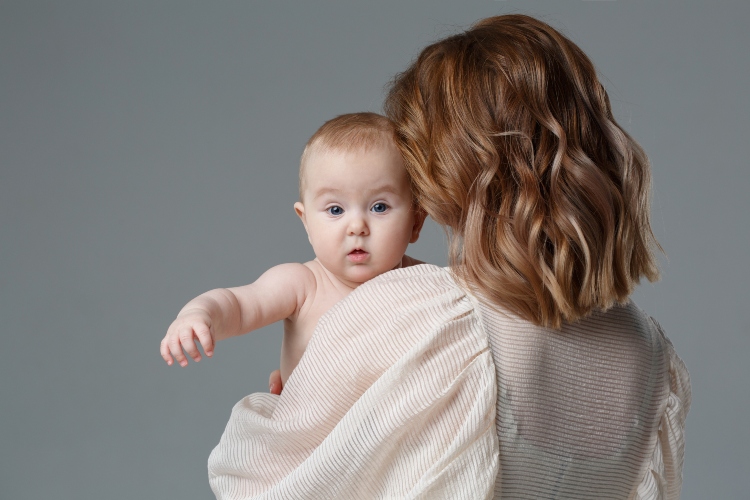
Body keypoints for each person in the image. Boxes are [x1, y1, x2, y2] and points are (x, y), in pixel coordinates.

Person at [209, 14, 691, 499]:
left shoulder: (424, 314)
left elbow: (258, 480)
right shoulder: (652, 359)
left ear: (447, 172)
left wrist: (292, 403)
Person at [159, 112, 426, 388]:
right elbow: (238, 305)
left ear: (416, 221)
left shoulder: (427, 285)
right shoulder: (302, 285)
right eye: (335, 209)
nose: (357, 226)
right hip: (315, 431)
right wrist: (199, 314)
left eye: (379, 207)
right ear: (306, 222)